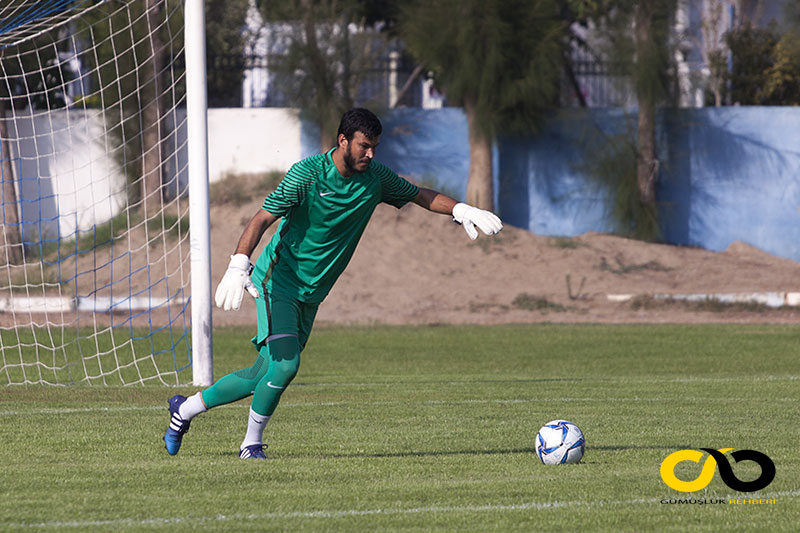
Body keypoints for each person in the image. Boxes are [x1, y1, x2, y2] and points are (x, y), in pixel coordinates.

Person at [163, 108, 502, 459]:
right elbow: (263, 216)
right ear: (343, 141)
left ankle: (183, 410)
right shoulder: (307, 174)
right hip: (277, 279)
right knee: (285, 366)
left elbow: (419, 195)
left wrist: (461, 209)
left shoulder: (375, 180)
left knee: (259, 374)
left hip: (313, 292)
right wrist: (238, 264)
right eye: (364, 146)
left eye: (375, 148)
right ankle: (251, 444)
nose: (371, 154)